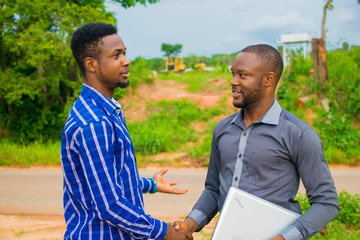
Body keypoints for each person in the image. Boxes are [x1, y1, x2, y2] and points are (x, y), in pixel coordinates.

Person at [174, 44, 339, 240]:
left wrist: (285, 238)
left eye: (242, 75)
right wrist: (189, 224)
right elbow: (214, 190)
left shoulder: (299, 134)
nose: (233, 81)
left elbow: (326, 203)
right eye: (233, 74)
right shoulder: (222, 130)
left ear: (269, 79)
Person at [61, 22, 192, 240]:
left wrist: (151, 184)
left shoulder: (105, 111)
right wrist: (165, 232)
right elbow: (109, 205)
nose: (126, 61)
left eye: (125, 53)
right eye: (116, 55)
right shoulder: (95, 123)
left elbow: (107, 179)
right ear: (91, 64)